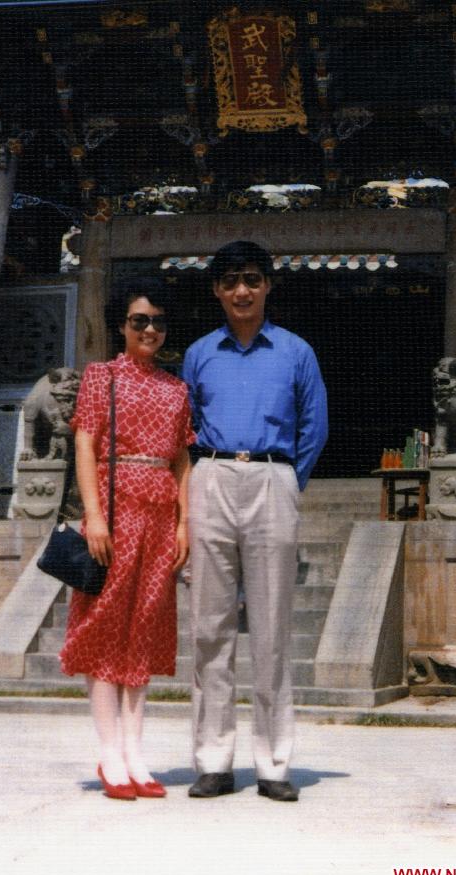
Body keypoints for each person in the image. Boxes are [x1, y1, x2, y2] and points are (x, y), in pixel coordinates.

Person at [181, 241, 328, 802]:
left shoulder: (296, 353)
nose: (241, 291)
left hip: (273, 476)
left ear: (268, 285)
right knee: (209, 627)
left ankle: (273, 764)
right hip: (212, 476)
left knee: (270, 628)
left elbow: (313, 426)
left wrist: (286, 481)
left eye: (251, 279)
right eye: (229, 282)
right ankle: (214, 760)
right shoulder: (199, 354)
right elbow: (186, 423)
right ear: (216, 291)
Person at [60, 277, 194, 800]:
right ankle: (110, 752)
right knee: (104, 627)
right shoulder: (102, 377)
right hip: (114, 515)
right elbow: (85, 444)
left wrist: (186, 522)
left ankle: (137, 754)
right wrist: (93, 516)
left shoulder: (176, 388)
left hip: (160, 517)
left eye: (159, 321)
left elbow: (183, 459)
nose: (151, 330)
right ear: (122, 325)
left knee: (145, 629)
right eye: (140, 321)